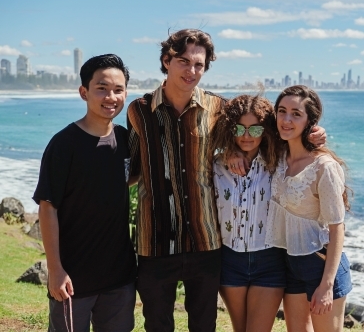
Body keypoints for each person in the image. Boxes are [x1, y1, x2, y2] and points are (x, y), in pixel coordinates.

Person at [127, 28, 326, 332]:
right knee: (157, 324)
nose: (191, 71)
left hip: (205, 241)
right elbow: (130, 166)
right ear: (167, 60)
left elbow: (259, 124)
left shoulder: (217, 108)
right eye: (183, 61)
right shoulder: (139, 111)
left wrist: (313, 136)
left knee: (204, 326)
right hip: (155, 239)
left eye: (199, 65)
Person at [33, 54, 137, 331]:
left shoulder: (125, 140)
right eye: (101, 88)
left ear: (126, 93)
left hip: (119, 276)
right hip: (73, 278)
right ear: (84, 92)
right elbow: (47, 206)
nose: (110, 97)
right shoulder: (64, 144)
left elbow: (129, 177)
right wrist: (55, 270)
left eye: (118, 90)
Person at [265, 85, 352, 332]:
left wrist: (326, 284)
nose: (286, 119)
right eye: (282, 111)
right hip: (291, 263)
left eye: (296, 114)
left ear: (310, 121)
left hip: (321, 264)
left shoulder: (324, 166)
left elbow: (337, 227)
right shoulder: (278, 155)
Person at [210, 94, 286, 332]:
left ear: (266, 130)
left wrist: (317, 133)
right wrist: (228, 150)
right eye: (239, 129)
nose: (246, 136)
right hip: (230, 260)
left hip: (269, 259)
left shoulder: (280, 163)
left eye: (255, 130)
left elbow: (305, 142)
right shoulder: (216, 164)